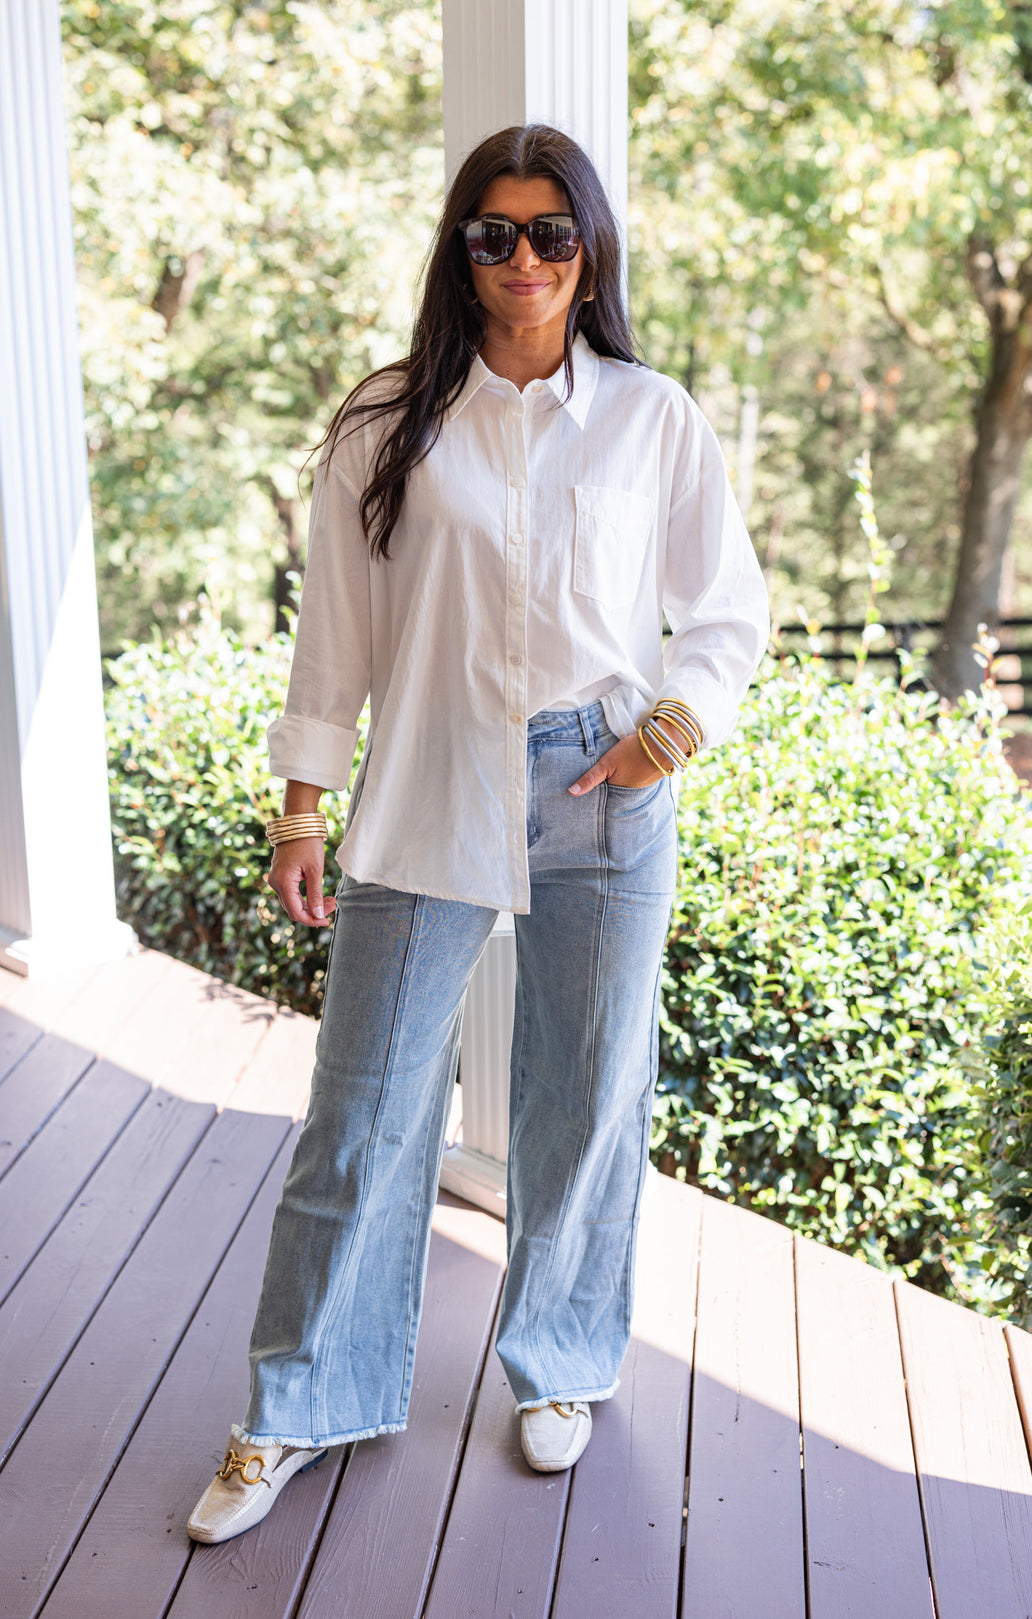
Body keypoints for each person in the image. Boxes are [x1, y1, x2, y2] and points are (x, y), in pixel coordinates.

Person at [187, 123, 769, 1546]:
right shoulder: (387, 422)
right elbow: (336, 632)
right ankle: (295, 1403)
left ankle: (560, 1360)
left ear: (590, 255)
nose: (523, 260)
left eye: (550, 234)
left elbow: (729, 608)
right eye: (493, 234)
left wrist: (671, 730)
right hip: (429, 776)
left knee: (587, 1095)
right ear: (462, 252)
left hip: (604, 785)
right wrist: (303, 800)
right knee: (365, 1110)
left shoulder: (652, 417)